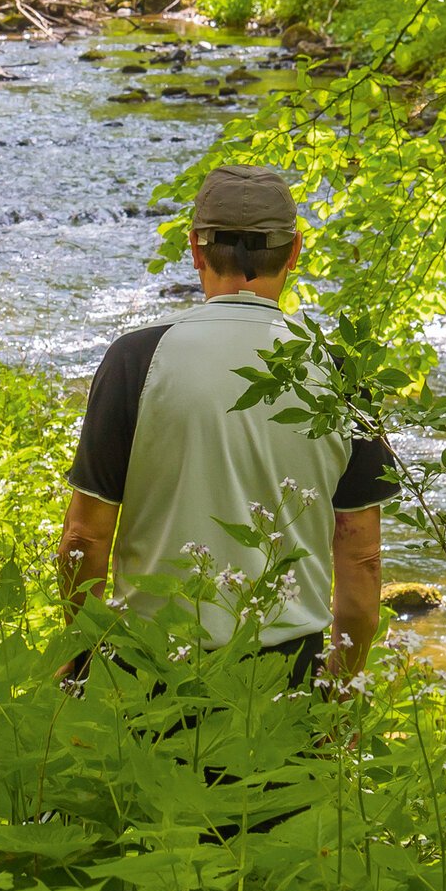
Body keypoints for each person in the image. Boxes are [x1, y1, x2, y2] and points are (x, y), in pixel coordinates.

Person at [56, 165, 396, 686]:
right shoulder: (339, 372)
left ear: (195, 250)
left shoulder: (136, 360)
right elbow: (362, 557)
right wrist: (342, 679)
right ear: (294, 252)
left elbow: (84, 537)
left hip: (146, 667)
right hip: (284, 672)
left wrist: (82, 655)